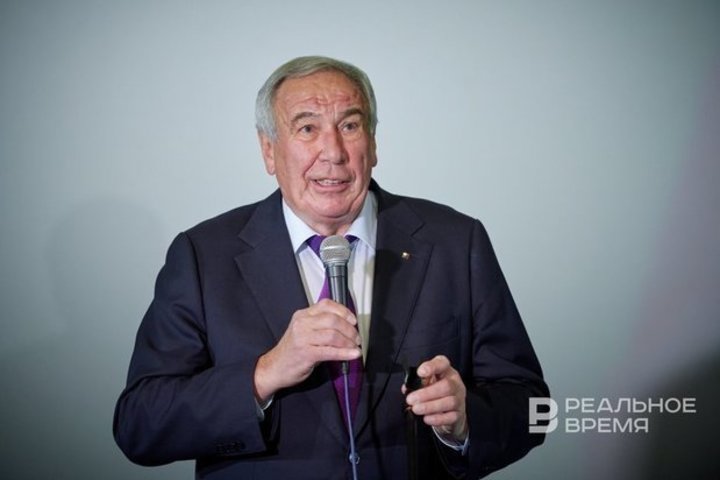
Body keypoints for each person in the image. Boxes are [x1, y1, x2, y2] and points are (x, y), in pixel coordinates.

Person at [114, 56, 549, 479]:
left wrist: (465, 421)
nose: (333, 152)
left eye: (350, 126)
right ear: (269, 150)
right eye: (307, 128)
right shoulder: (203, 256)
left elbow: (535, 409)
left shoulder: (455, 241)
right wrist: (265, 373)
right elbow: (140, 425)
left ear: (373, 143)